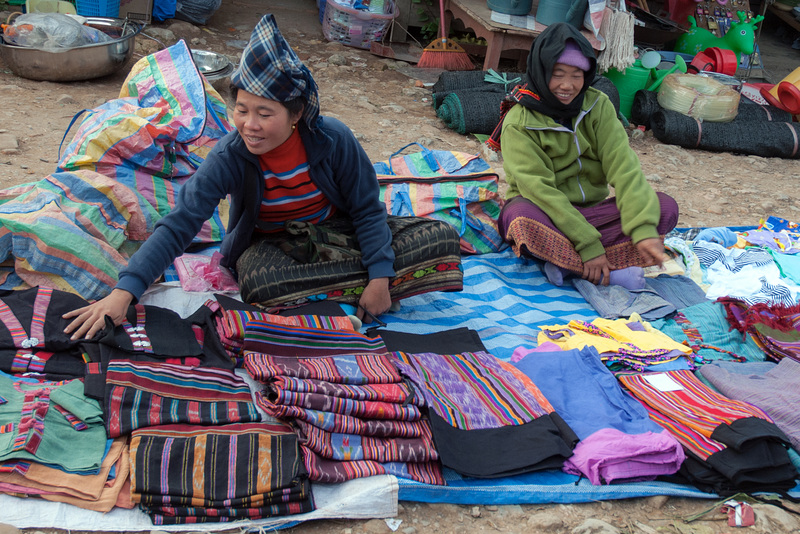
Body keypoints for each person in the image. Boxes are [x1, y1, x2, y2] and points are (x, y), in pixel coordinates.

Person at [63, 14, 462, 340]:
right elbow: (180, 224)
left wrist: (379, 274)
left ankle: (362, 287)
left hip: (341, 234)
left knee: (442, 238)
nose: (249, 125)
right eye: (241, 109)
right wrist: (124, 292)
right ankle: (375, 287)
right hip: (278, 247)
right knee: (257, 284)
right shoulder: (230, 155)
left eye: (264, 113)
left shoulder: (333, 139)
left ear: (296, 115)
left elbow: (366, 210)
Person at [488, 23, 679, 288]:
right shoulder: (519, 123)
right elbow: (540, 191)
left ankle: (566, 266)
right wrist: (589, 245)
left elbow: (624, 168)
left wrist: (643, 230)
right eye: (557, 74)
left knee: (664, 207)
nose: (567, 85)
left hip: (592, 214)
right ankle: (606, 268)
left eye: (577, 75)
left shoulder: (597, 105)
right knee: (519, 218)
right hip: (546, 213)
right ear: (541, 72)